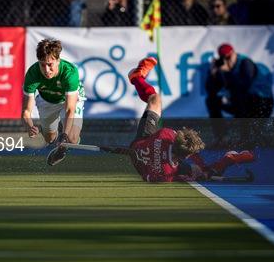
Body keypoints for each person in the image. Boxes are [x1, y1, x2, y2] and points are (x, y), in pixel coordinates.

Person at [57, 57, 254, 182]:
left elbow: (154, 170)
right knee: (204, 171)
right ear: (182, 156)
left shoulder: (167, 135)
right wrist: (189, 173)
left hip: (142, 143)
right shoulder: (167, 171)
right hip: (143, 148)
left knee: (155, 99)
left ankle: (137, 78)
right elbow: (151, 176)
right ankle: (227, 160)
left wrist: (184, 171)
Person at [21, 39, 85, 166]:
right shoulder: (32, 74)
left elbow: (69, 109)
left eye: (50, 64)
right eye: (42, 64)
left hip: (69, 100)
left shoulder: (69, 72)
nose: (46, 69)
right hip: (46, 100)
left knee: (71, 139)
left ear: (58, 60)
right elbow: (26, 111)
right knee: (49, 139)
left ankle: (63, 149)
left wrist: (65, 135)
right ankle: (59, 143)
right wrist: (29, 126)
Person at [205, 43, 274, 147]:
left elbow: (244, 87)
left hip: (261, 103)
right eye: (223, 58)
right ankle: (222, 137)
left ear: (233, 53)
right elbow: (211, 90)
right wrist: (213, 74)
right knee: (211, 100)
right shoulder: (224, 68)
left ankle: (244, 139)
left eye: (228, 57)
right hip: (241, 103)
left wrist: (227, 73)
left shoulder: (246, 63)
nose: (226, 61)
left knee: (241, 98)